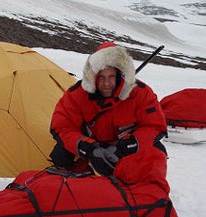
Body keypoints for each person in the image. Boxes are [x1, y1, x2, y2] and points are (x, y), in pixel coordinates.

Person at [50, 42, 169, 192]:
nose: (106, 83)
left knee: (156, 151)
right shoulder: (76, 94)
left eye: (111, 76)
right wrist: (87, 148)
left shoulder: (141, 93)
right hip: (92, 145)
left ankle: (146, 193)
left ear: (120, 75)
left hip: (122, 147)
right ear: (93, 76)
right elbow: (62, 126)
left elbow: (154, 126)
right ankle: (67, 189)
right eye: (101, 77)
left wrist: (126, 147)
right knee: (61, 153)